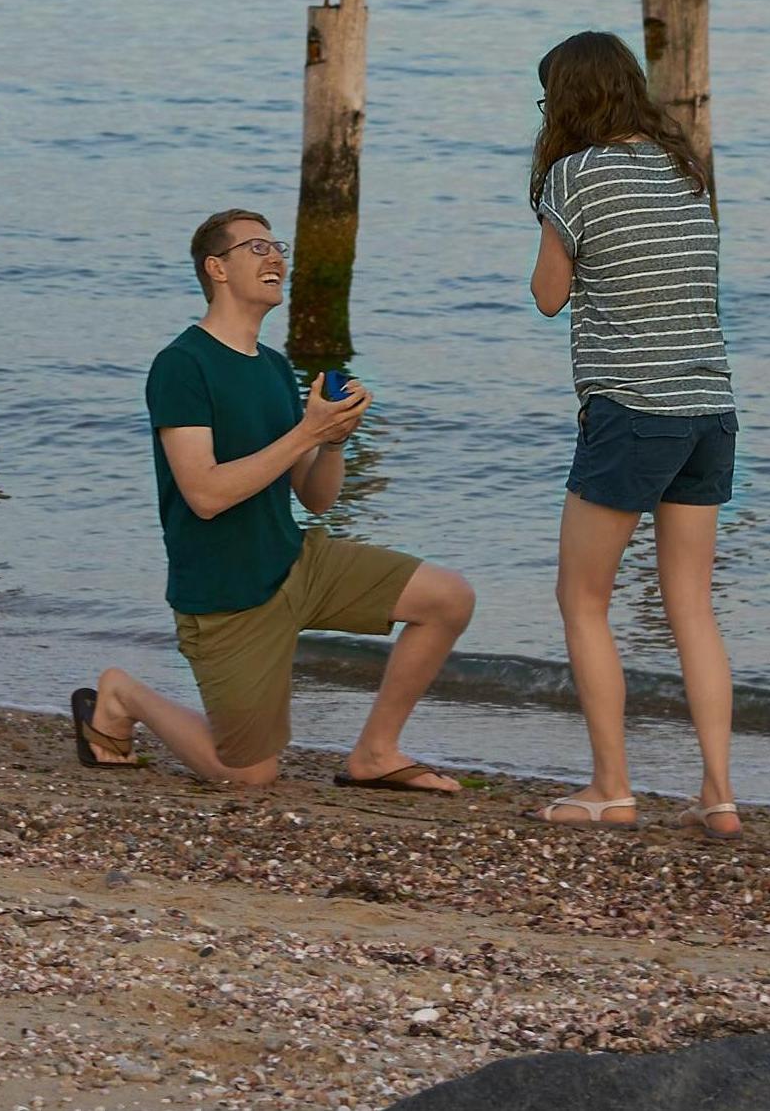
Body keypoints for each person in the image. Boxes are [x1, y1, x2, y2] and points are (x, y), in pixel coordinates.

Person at [72, 208, 475, 791]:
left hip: (296, 561)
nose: (277, 259)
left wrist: (333, 441)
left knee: (449, 599)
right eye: (257, 248)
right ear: (216, 268)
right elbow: (205, 494)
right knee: (248, 775)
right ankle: (122, 693)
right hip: (228, 596)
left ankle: (375, 753)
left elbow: (315, 498)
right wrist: (308, 432)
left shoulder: (274, 367)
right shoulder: (181, 365)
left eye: (277, 247)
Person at [527, 31, 742, 838]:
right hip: (709, 408)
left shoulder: (572, 176)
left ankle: (611, 787)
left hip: (632, 410)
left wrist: (559, 232)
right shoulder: (685, 170)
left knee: (582, 599)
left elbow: (549, 296)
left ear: (571, 99)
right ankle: (718, 794)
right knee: (692, 606)